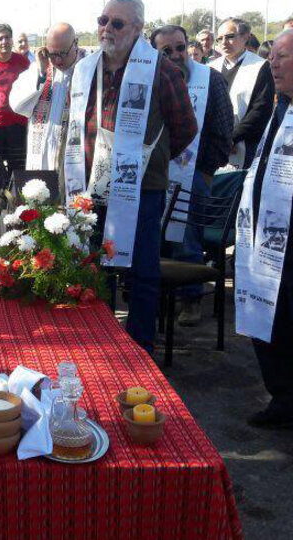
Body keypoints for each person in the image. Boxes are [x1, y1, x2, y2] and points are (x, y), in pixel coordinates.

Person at [63, 0, 197, 353]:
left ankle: (139, 348)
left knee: (142, 273)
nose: (107, 28)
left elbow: (184, 127)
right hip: (91, 187)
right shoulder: (85, 69)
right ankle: (98, 342)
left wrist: (149, 157)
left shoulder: (161, 70)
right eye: (102, 20)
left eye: (117, 24)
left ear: (138, 29)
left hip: (142, 189)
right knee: (93, 268)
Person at [151, 25, 234, 326]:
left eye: (180, 48)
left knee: (187, 240)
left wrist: (203, 171)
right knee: (155, 240)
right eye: (166, 51)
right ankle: (159, 299)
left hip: (194, 174)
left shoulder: (210, 79)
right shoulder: (149, 77)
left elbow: (224, 131)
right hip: (156, 175)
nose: (175, 55)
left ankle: (190, 300)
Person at [234, 30, 293, 429]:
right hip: (263, 234)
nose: (273, 63)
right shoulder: (280, 107)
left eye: (283, 56)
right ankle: (283, 398)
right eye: (272, 55)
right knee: (266, 319)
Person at [10, 22, 81, 186]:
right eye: (52, 54)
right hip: (40, 158)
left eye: (62, 53)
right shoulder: (40, 69)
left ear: (75, 43)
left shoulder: (87, 69)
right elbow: (17, 105)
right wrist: (41, 74)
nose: (57, 60)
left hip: (71, 159)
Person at [209, 17, 275, 170]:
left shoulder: (261, 66)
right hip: (212, 144)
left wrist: (232, 138)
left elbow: (261, 109)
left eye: (230, 37)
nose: (224, 42)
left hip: (244, 143)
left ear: (246, 37)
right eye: (219, 39)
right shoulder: (211, 67)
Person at [0, 23, 31, 175]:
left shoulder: (24, 63)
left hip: (18, 126)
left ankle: (16, 200)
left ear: (12, 40)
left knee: (18, 173)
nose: (4, 42)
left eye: (7, 37)